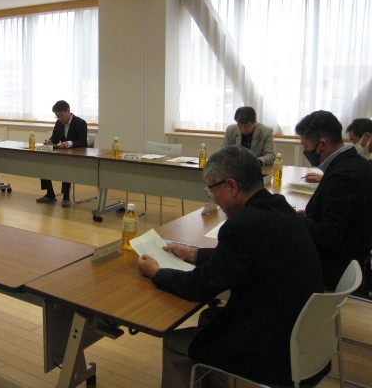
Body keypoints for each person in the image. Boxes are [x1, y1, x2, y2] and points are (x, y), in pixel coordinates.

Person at [137, 145, 323, 387]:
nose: (212, 198)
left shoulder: (242, 225)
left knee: (174, 342)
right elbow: (237, 257)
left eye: (211, 190)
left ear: (231, 186)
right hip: (304, 334)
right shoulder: (278, 206)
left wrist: (157, 272)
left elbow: (198, 287)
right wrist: (192, 253)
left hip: (274, 350)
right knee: (210, 317)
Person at [295, 110, 372, 289]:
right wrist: (310, 217)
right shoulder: (354, 163)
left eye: (306, 147)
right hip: (346, 256)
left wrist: (299, 221)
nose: (306, 152)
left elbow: (328, 236)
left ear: (322, 143)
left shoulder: (343, 176)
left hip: (331, 267)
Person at [37, 100, 88, 207]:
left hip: (76, 155)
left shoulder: (81, 123)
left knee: (66, 165)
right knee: (43, 162)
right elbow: (55, 138)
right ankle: (50, 194)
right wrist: (50, 141)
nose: (60, 118)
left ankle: (66, 196)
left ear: (68, 111)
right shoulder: (58, 123)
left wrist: (69, 143)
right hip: (63, 153)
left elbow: (83, 142)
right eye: (57, 116)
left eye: (61, 115)